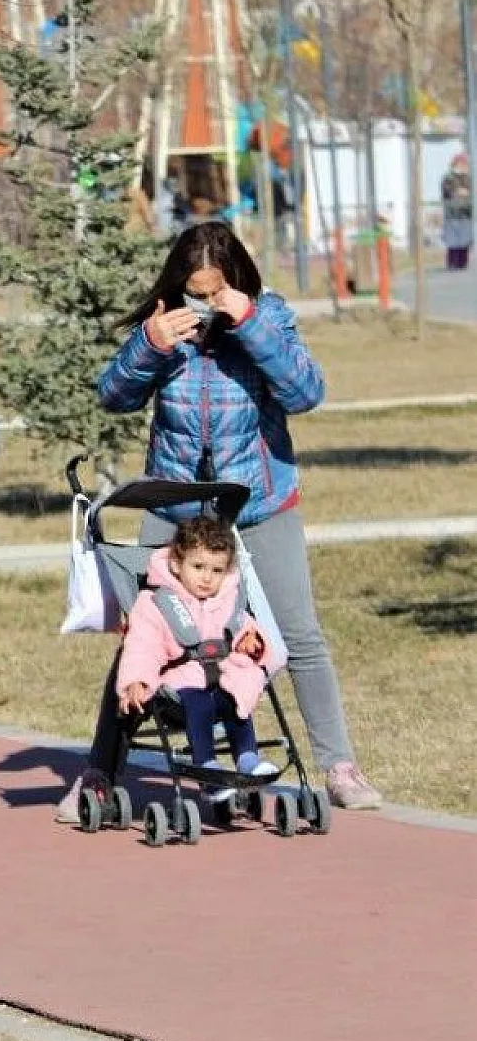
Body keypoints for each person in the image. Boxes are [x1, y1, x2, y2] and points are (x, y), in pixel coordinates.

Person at [58, 221, 382, 822]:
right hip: (176, 507)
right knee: (145, 637)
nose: (203, 306)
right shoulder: (164, 328)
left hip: (257, 503)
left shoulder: (271, 318)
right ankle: (100, 773)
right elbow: (113, 395)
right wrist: (149, 345)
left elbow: (306, 393)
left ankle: (339, 765)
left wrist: (251, 323)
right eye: (193, 292)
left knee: (300, 634)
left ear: (235, 282)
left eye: (214, 292)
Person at [117, 517, 284, 800]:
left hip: (223, 676)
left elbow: (245, 629)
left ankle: (248, 759)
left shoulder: (228, 598)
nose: (207, 578)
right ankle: (206, 767)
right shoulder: (157, 602)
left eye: (217, 570)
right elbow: (141, 646)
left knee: (235, 697)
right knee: (199, 702)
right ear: (176, 565)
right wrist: (136, 681)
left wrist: (252, 645)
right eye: (198, 567)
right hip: (180, 684)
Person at [441, 153, 471, 271]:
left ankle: (462, 262)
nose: (463, 166)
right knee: (453, 239)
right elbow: (447, 191)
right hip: (452, 213)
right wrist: (458, 192)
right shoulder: (449, 177)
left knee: (464, 239)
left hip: (465, 213)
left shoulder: (468, 178)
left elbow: (470, 191)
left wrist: (465, 192)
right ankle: (453, 262)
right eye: (461, 164)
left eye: (465, 164)